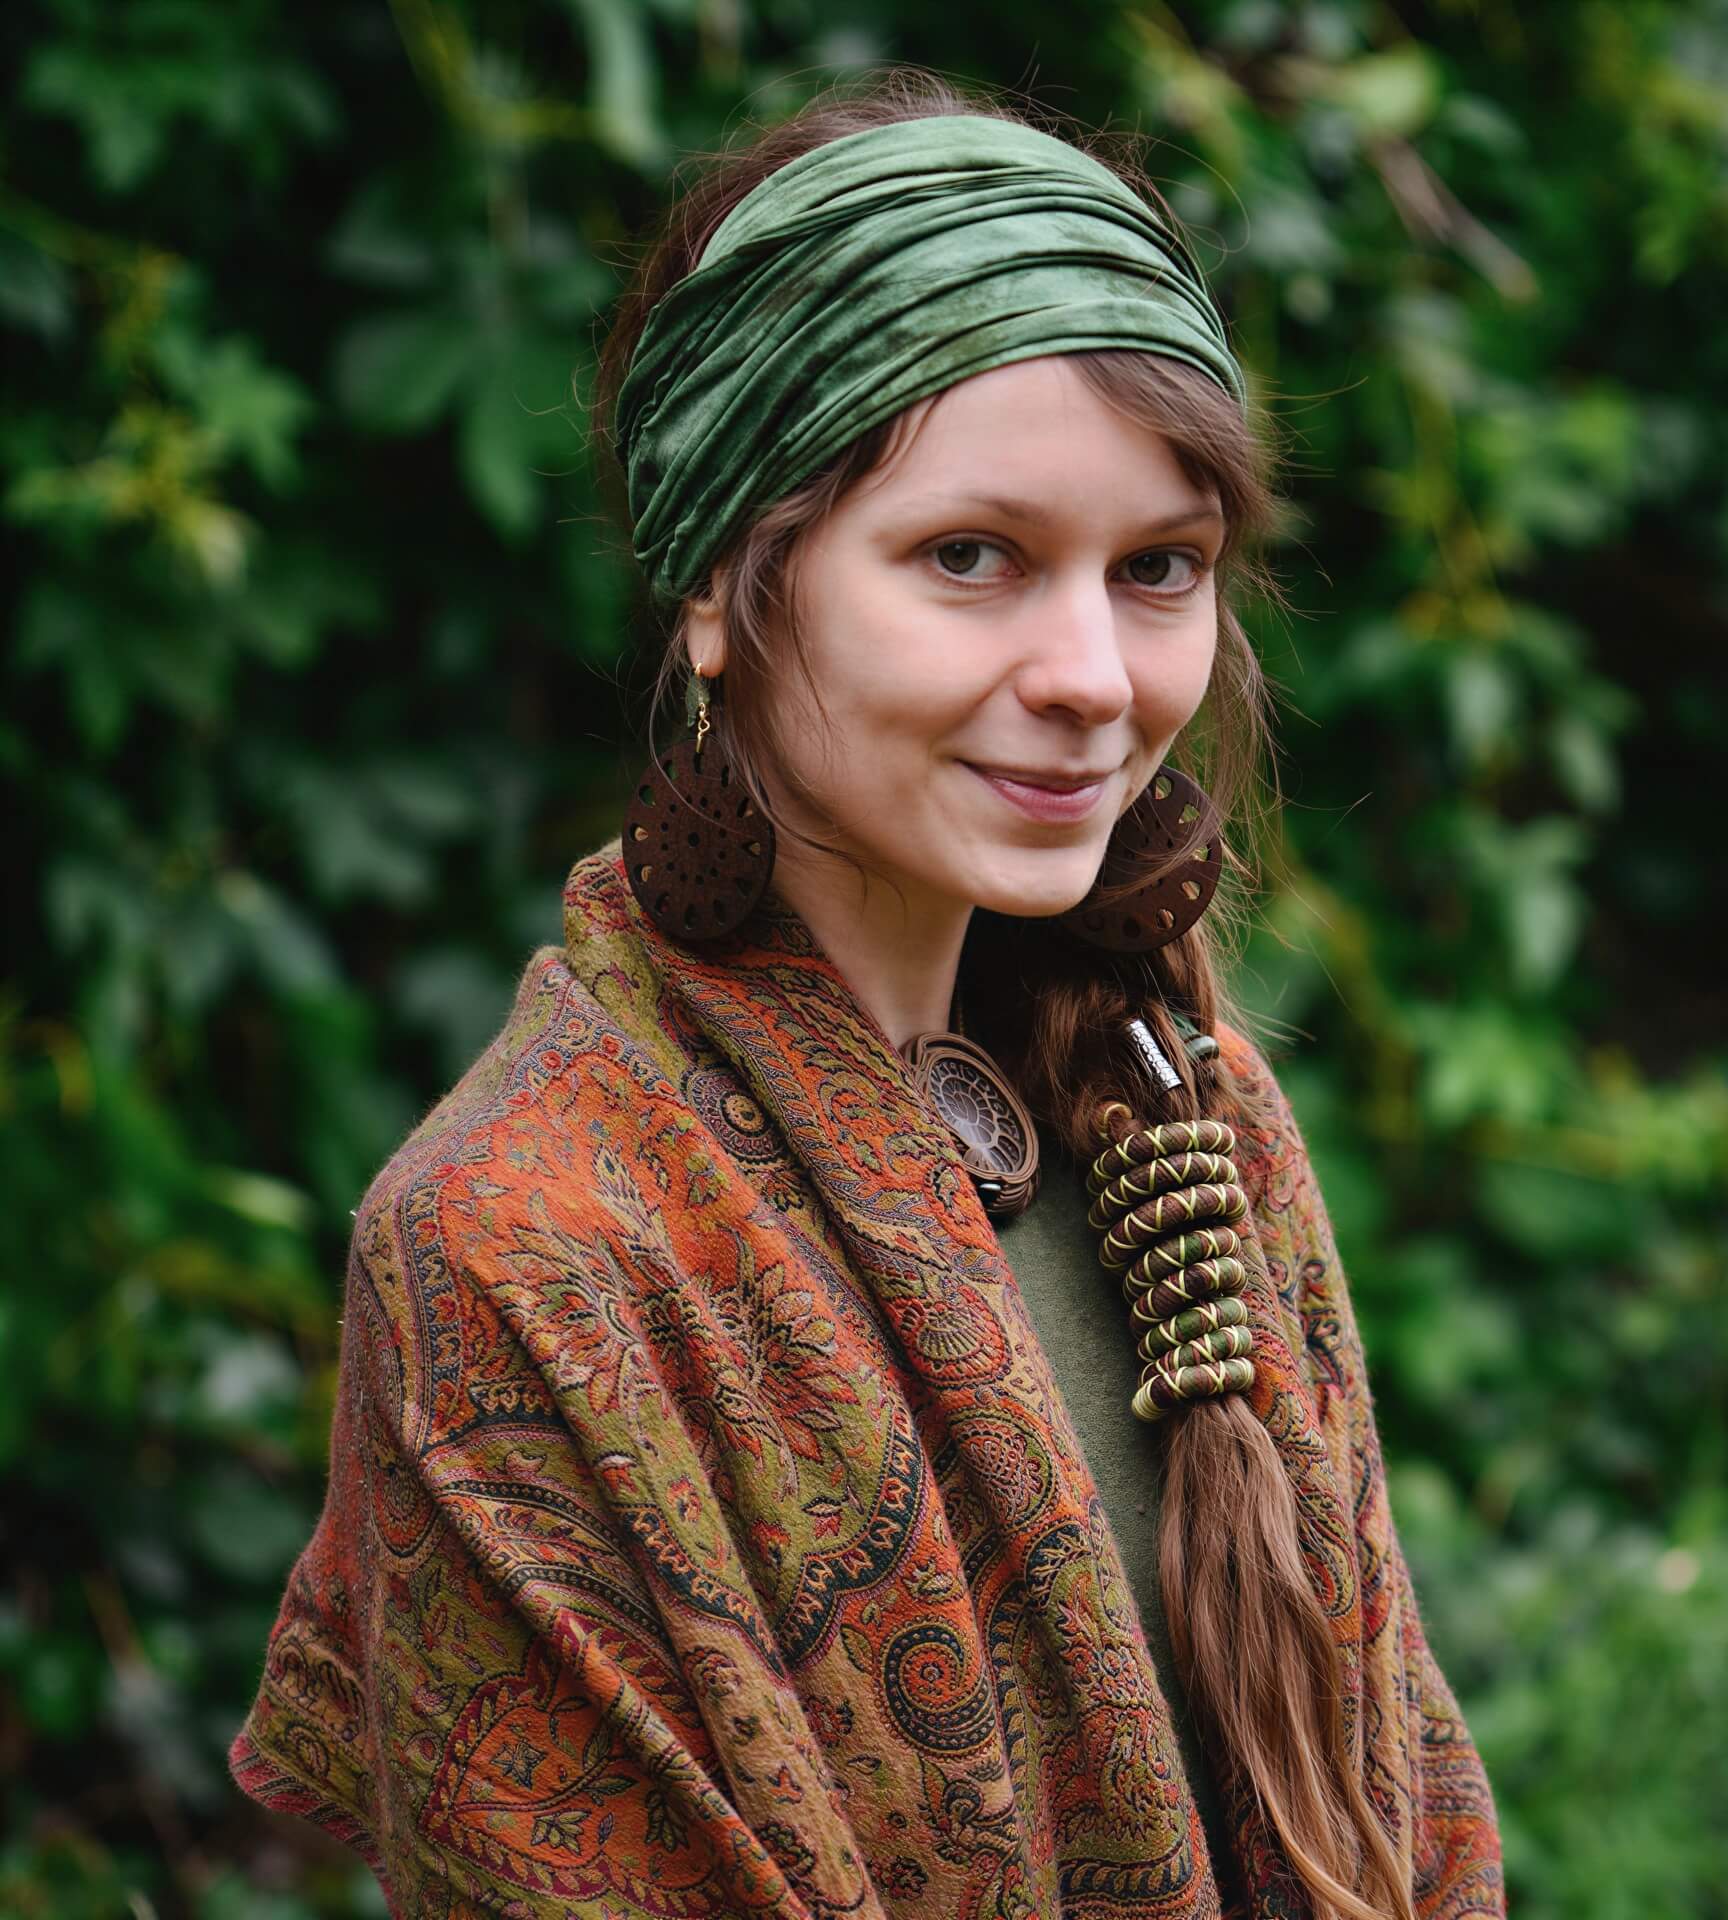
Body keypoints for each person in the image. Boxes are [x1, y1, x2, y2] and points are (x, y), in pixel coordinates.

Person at [230, 71, 1505, 1920]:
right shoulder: (524, 1246)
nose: (1090, 673)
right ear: (723, 593)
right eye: (969, 558)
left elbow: (1410, 1809)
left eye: (1158, 570)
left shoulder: (1182, 1111)